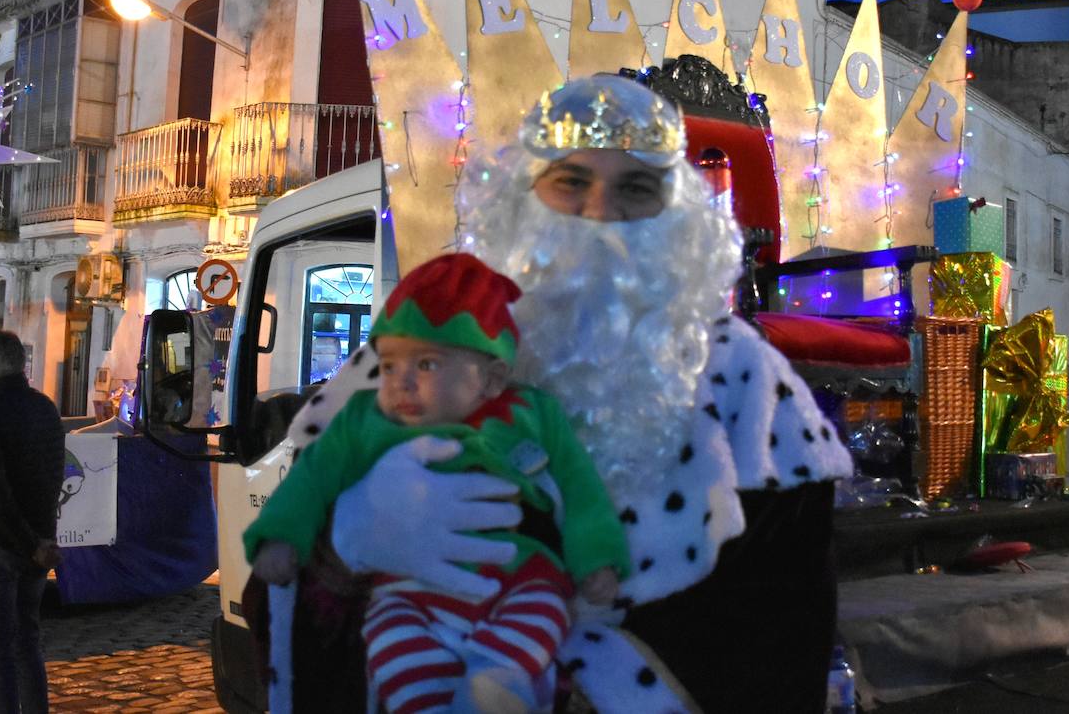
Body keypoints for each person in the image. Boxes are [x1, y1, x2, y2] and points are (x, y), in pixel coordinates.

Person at [286, 75, 852, 713]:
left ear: (677, 218)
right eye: (571, 182)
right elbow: (290, 594)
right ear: (521, 201)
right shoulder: (428, 343)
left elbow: (783, 637)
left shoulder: (745, 381)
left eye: (636, 189)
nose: (599, 214)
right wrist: (346, 545)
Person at [244, 253, 631, 713]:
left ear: (492, 379)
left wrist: (597, 558)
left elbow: (581, 489)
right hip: (409, 590)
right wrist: (285, 537)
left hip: (518, 575)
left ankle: (497, 680)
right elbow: (310, 480)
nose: (401, 383)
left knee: (544, 607)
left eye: (426, 364)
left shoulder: (532, 413)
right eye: (389, 366)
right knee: (389, 632)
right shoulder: (362, 418)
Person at [0, 331, 65, 713]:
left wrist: (28, 543)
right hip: (38, 542)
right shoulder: (45, 407)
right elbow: (52, 478)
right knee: (27, 640)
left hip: (0, 545)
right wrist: (40, 541)